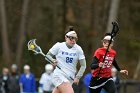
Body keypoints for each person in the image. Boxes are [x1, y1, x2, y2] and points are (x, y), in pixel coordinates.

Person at [45, 26, 86, 93]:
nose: (73, 40)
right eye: (71, 38)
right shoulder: (58, 46)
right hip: (58, 75)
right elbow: (47, 56)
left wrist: (78, 77)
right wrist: (52, 60)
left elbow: (83, 65)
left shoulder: (78, 49)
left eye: (75, 39)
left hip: (70, 78)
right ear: (66, 37)